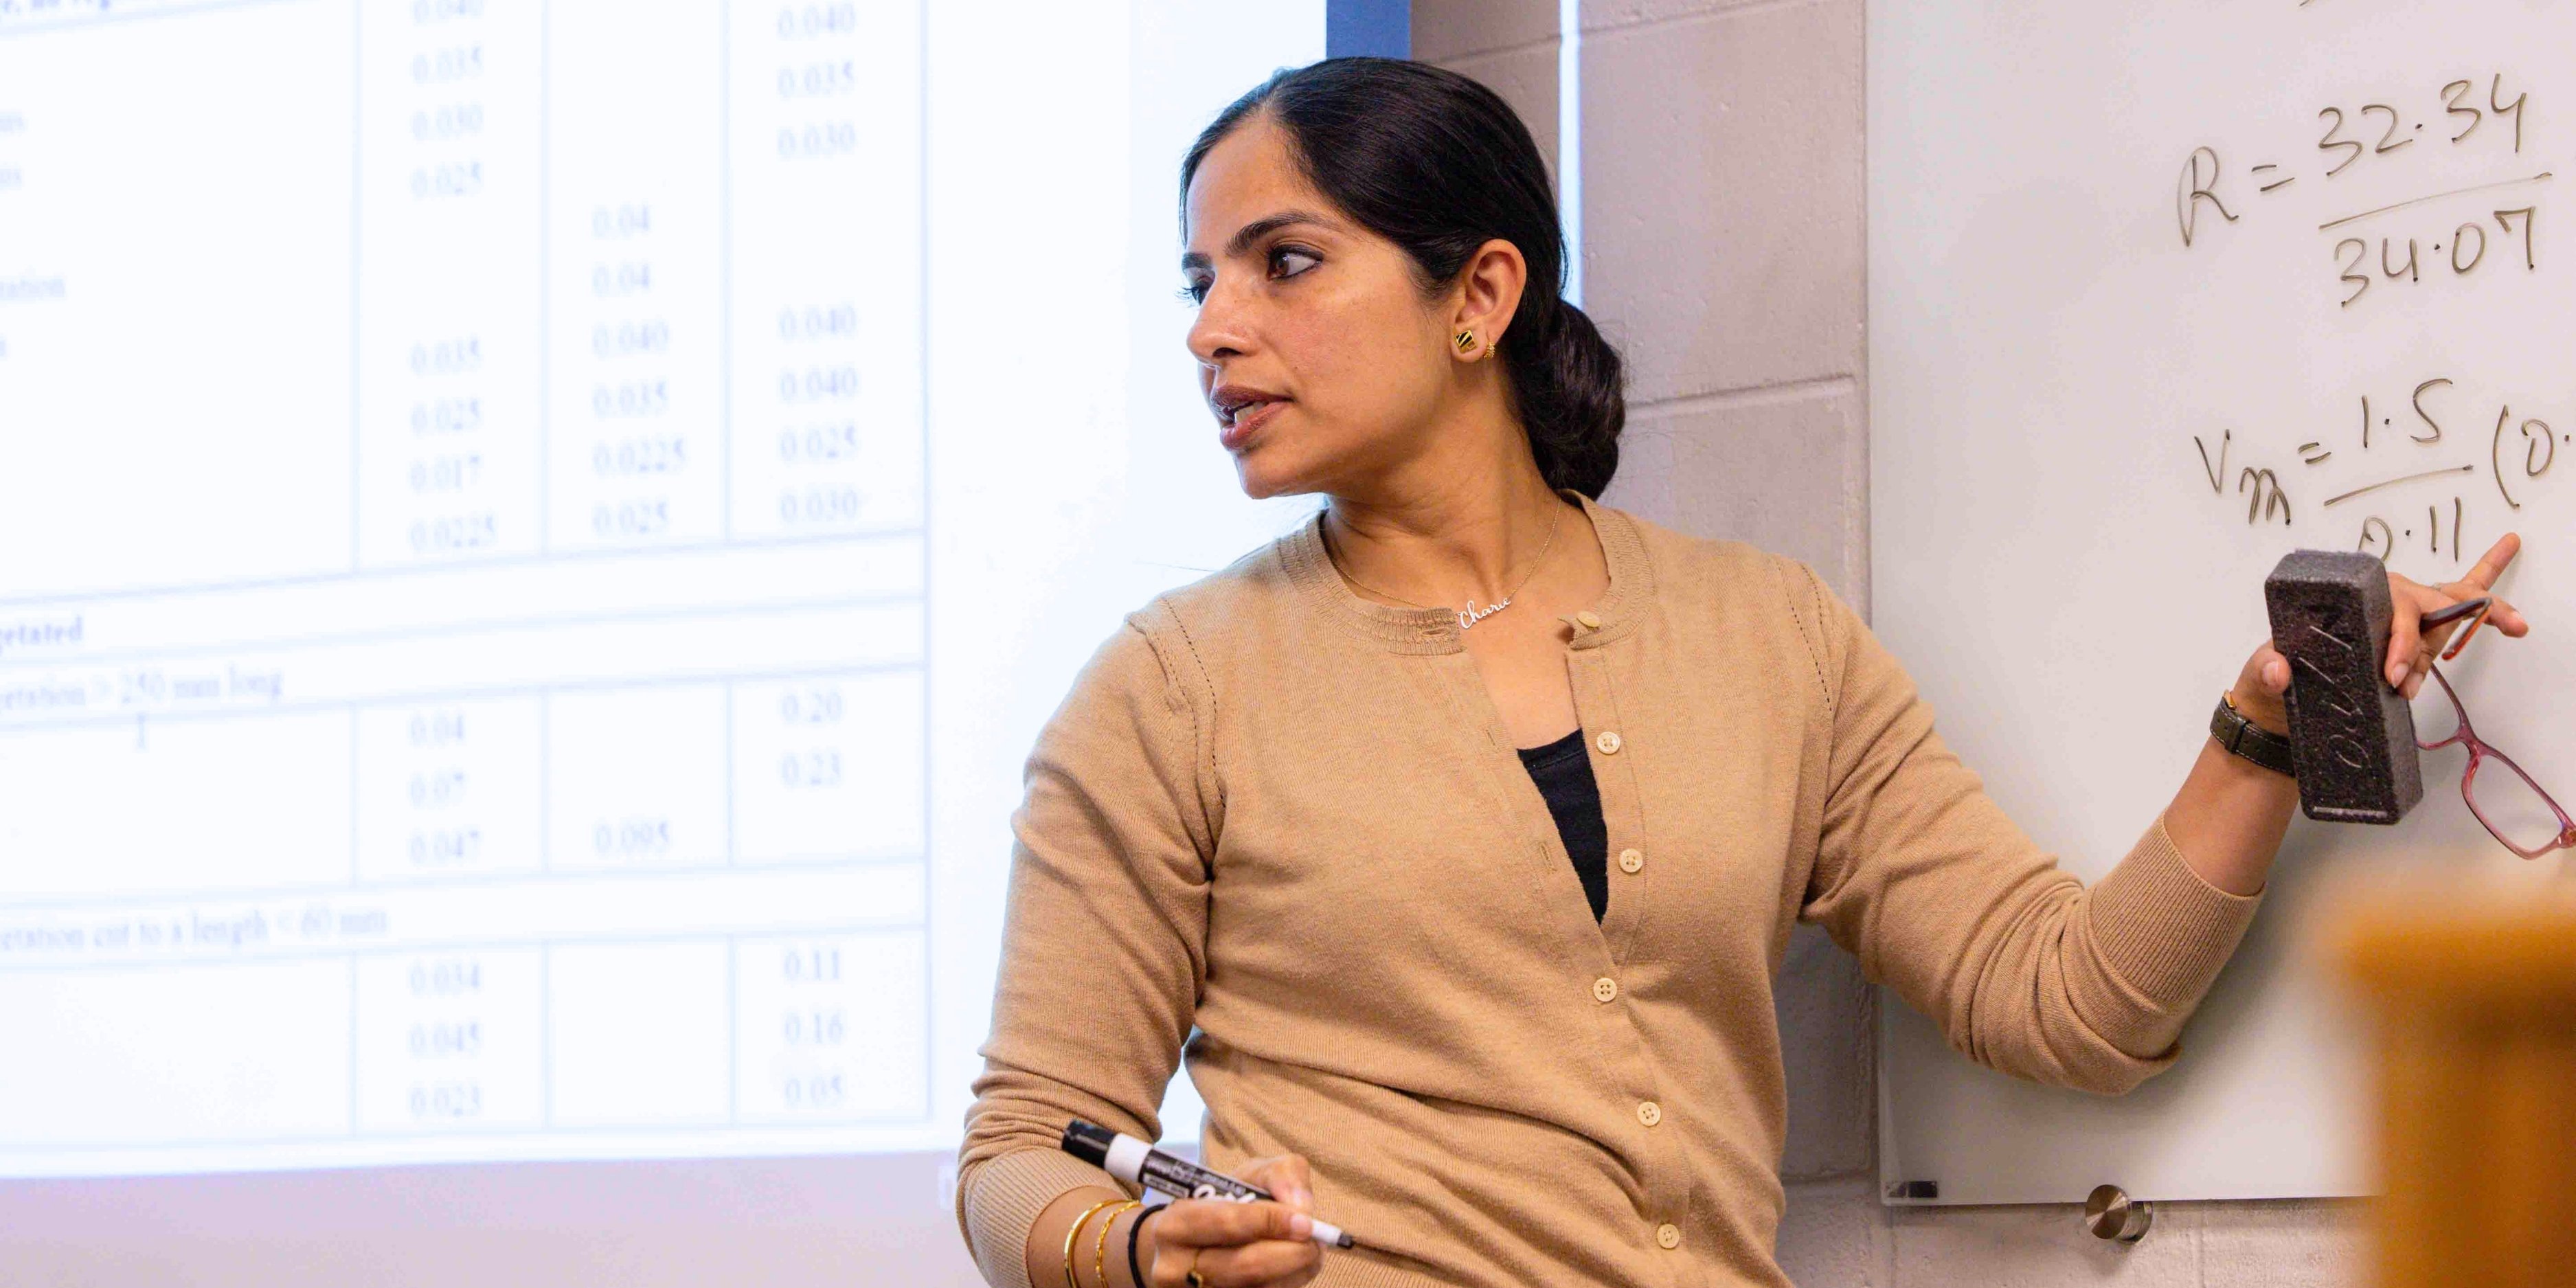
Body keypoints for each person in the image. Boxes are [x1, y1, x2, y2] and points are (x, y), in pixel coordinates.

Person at [951, 56, 2530, 1288]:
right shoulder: (1168, 689)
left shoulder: (1766, 633)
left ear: (1480, 297)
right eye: (1197, 281)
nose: (1213, 329)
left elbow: (2068, 999)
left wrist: (2264, 718)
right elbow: (1024, 1146)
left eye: (1282, 263)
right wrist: (1133, 1245)